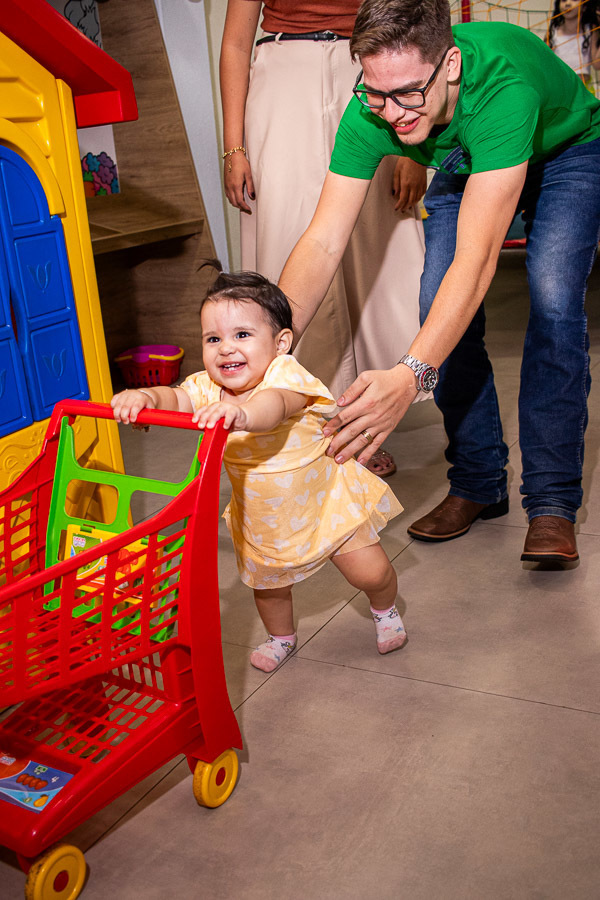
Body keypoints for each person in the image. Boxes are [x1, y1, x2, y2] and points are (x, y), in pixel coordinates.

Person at [278, 0, 600, 566]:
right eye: (375, 93)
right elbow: (324, 239)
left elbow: (476, 267)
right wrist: (273, 343)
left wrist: (410, 377)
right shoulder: (374, 108)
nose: (392, 114)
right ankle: (478, 482)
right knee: (436, 306)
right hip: (469, 156)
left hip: (570, 151)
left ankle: (551, 502)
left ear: (449, 65)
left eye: (407, 93)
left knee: (550, 295)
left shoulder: (503, 89)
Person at [111, 271, 407, 673]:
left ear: (280, 343)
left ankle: (385, 606)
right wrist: (145, 395)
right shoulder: (206, 389)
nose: (225, 349)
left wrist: (242, 413)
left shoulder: (286, 376)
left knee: (370, 572)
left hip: (325, 502)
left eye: (242, 335)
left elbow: (275, 406)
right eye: (213, 339)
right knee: (268, 589)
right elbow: (176, 397)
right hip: (263, 515)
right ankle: (281, 637)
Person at [219, 0, 428, 478]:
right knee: (290, 237)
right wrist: (234, 146)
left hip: (369, 66)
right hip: (281, 72)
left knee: (379, 242)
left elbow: (415, 23)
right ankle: (306, 413)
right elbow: (234, 42)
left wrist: (416, 151)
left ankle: (366, 414)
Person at [547, 0, 600, 86]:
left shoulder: (590, 30)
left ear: (584, 6)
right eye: (563, 0)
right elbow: (545, 61)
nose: (567, 3)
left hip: (583, 89)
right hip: (560, 88)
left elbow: (597, 64)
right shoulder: (553, 32)